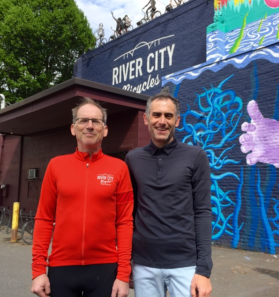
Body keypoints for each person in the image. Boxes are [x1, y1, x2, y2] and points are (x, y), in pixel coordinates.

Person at [31, 97, 133, 297]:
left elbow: (125, 222)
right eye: (83, 120)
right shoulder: (56, 166)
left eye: (96, 121)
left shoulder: (119, 168)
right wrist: (38, 271)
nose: (89, 126)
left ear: (105, 130)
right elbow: (44, 218)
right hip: (61, 268)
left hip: (105, 269)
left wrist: (123, 274)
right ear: (73, 128)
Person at [125, 89, 213, 297]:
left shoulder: (196, 156)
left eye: (168, 116)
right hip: (144, 263)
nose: (162, 121)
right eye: (156, 115)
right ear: (146, 119)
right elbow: (129, 211)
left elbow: (202, 212)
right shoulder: (133, 158)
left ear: (177, 121)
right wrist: (126, 259)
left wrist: (204, 269)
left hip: (185, 263)